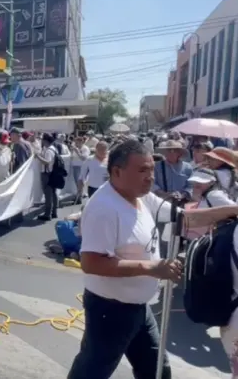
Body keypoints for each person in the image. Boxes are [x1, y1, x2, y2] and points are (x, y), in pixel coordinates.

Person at [67, 140, 238, 379]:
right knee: (93, 370)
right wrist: (152, 267)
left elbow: (185, 219)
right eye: (142, 170)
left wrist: (231, 211)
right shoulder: (103, 208)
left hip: (139, 307)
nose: (150, 177)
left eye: (151, 170)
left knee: (157, 370)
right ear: (117, 171)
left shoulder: (141, 197)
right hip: (111, 311)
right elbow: (92, 263)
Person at [35, 133, 58, 221]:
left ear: (45, 140)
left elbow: (47, 162)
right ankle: (54, 212)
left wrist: (38, 157)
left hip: (47, 174)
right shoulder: (53, 149)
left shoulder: (49, 150)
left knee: (48, 195)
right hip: (52, 173)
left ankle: (47, 214)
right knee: (53, 193)